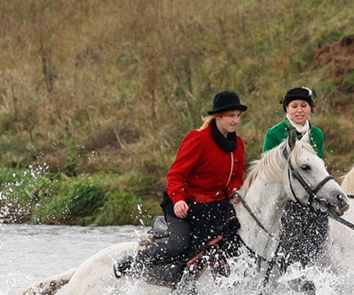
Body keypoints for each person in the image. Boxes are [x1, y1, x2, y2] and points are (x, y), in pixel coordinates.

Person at [114, 91, 248, 282]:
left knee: (236, 239)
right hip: (186, 205)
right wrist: (178, 200)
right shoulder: (198, 139)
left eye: (238, 116)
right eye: (230, 116)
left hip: (217, 207)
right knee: (178, 245)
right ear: (218, 117)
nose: (235, 121)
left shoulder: (239, 144)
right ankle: (135, 261)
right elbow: (175, 175)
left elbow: (235, 179)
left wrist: (234, 190)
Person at [262, 87, 328, 268]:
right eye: (294, 106)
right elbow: (267, 170)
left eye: (304, 105)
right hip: (284, 196)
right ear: (286, 109)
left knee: (322, 222)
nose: (299, 110)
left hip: (311, 196)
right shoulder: (274, 133)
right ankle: (287, 265)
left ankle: (313, 265)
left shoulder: (317, 134)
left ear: (310, 108)